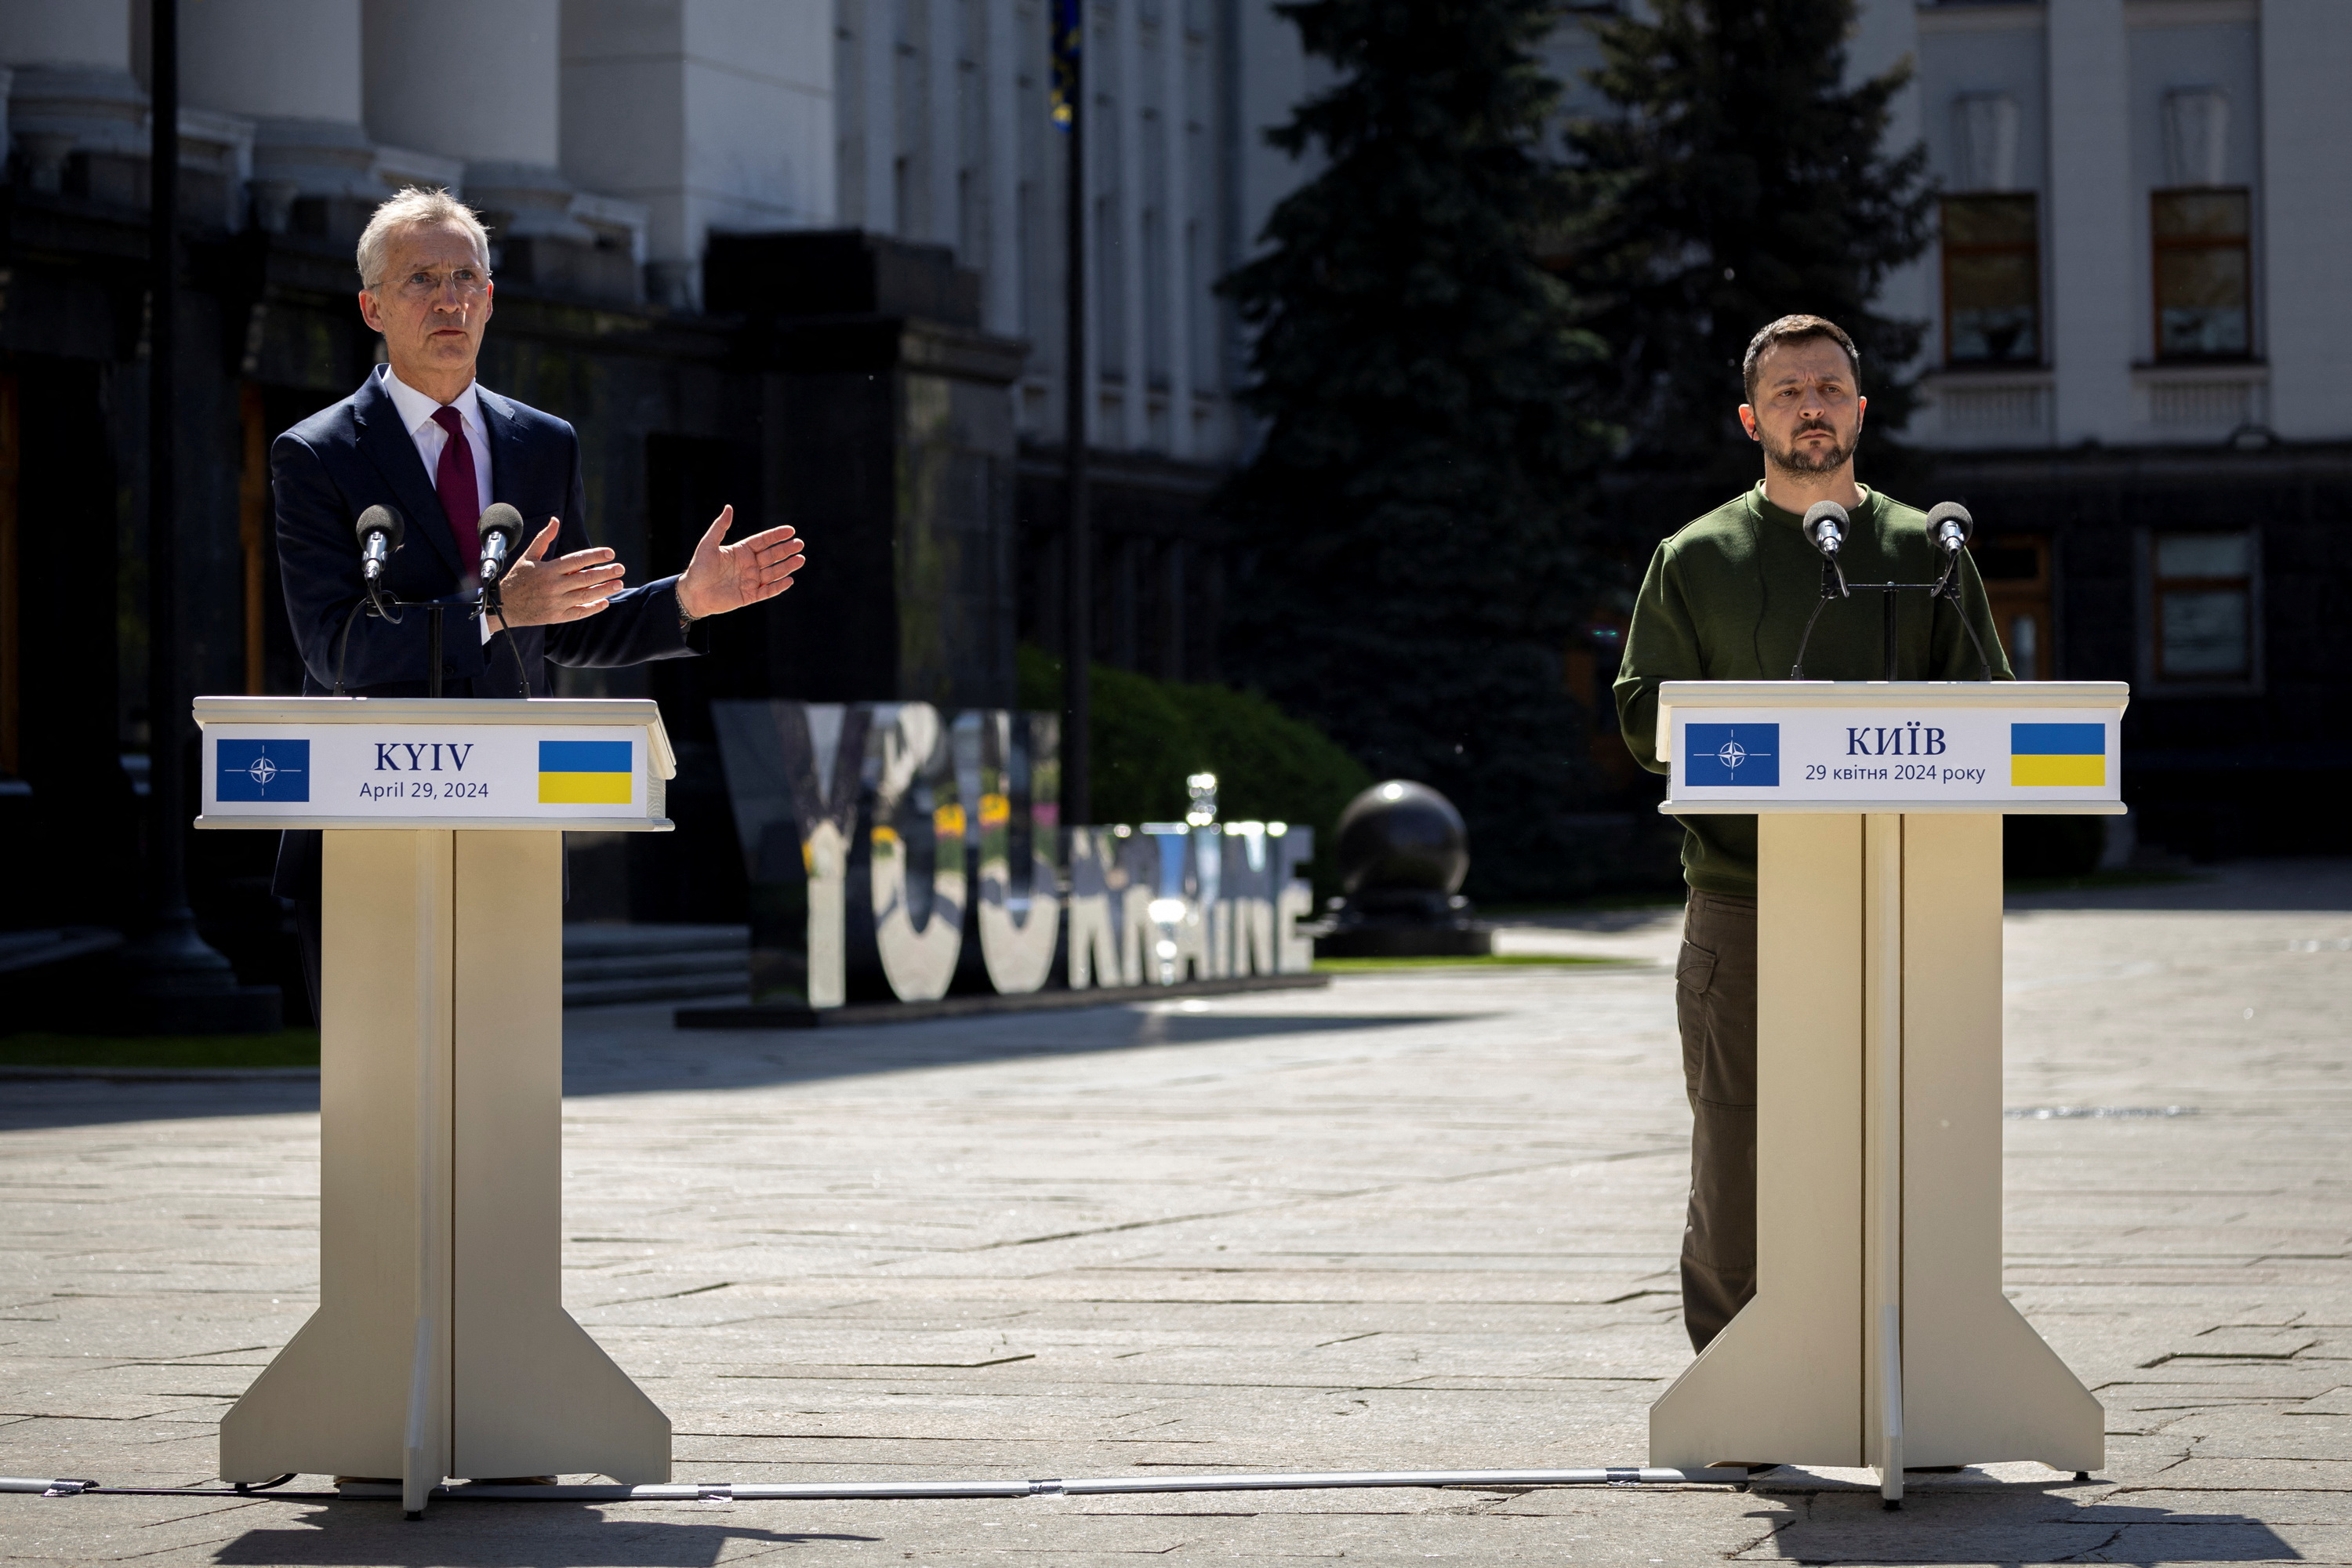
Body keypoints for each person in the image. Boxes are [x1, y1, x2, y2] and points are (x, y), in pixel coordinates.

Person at [271, 187, 807, 1010]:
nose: (449, 300)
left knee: (501, 1074)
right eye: (421, 280)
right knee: (379, 1076)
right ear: (372, 307)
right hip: (363, 824)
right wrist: (493, 612)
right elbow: (333, 646)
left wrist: (686, 601)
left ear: (490, 300)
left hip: (508, 821)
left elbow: (564, 626)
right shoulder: (316, 453)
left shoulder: (542, 443)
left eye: (466, 278)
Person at [1613, 314, 2010, 1354]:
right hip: (1746, 904)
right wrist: (1763, 737)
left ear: (1861, 409)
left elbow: (1994, 713)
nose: (1812, 408)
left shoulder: (1931, 549)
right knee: (1737, 1160)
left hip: (1904, 904)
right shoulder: (1696, 557)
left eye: (1830, 387)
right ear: (1752, 419)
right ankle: (1735, 1380)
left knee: (1910, 1147)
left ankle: (1910, 1372)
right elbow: (1643, 714)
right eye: (1788, 392)